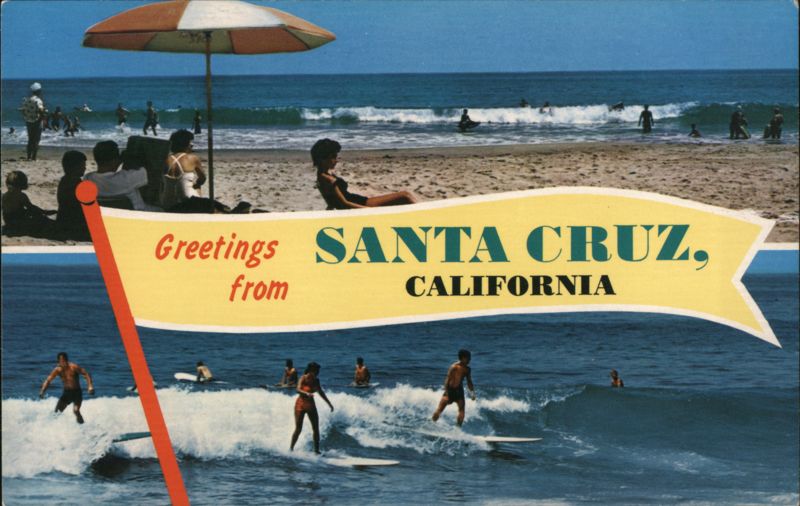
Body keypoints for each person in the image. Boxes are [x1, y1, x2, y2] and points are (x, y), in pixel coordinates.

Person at [313, 138, 417, 210]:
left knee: (404, 196)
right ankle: (424, 214)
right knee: (405, 196)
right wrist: (369, 211)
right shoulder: (328, 179)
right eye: (333, 157)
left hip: (360, 201)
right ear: (323, 158)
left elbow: (331, 202)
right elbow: (345, 203)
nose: (336, 160)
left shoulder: (321, 177)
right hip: (360, 204)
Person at [84, 140, 154, 211]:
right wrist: (128, 159)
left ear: (96, 159)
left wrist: (120, 160)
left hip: (110, 216)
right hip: (139, 214)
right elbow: (153, 171)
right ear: (116, 160)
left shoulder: (88, 179)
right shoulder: (128, 178)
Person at [290, 362, 334, 454]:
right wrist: (306, 393)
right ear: (311, 370)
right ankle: (291, 449)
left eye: (318, 370)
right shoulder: (303, 378)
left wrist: (329, 404)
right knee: (298, 429)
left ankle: (316, 451)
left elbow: (321, 392)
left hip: (310, 405)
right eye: (316, 370)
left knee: (315, 428)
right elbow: (297, 389)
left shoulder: (316, 380)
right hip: (300, 404)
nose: (318, 372)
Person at [39, 352, 95, 424]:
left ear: (67, 359)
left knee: (76, 411)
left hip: (77, 393)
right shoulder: (57, 370)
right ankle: (51, 429)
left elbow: (86, 374)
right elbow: (48, 380)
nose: (63, 362)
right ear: (58, 361)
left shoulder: (73, 367)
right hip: (66, 394)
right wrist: (42, 391)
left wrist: (90, 386)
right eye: (61, 361)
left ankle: (83, 427)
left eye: (64, 360)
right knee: (56, 413)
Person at [161, 129, 207, 210]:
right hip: (188, 202)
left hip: (168, 204)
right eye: (190, 142)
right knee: (197, 186)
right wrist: (196, 184)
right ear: (185, 144)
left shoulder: (165, 159)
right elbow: (203, 178)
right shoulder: (193, 158)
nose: (192, 145)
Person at [2, 170, 55, 237]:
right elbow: (31, 207)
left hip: (8, 221)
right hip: (18, 222)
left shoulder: (4, 196)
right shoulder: (21, 196)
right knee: (38, 217)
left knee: (25, 211)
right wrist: (43, 212)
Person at [432, 349, 476, 427]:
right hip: (450, 390)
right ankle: (432, 424)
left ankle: (457, 430)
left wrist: (472, 393)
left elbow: (469, 382)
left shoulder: (467, 369)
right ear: (463, 358)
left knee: (462, 411)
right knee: (439, 409)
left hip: (459, 391)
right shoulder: (454, 367)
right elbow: (447, 380)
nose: (470, 360)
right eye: (468, 358)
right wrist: (447, 392)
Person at [56, 150, 90, 241]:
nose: (85, 168)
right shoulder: (76, 184)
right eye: (83, 166)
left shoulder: (65, 181)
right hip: (74, 227)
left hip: (63, 222)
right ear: (74, 167)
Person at [19, 82, 45, 161]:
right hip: (37, 121)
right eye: (40, 90)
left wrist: (26, 117)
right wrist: (43, 116)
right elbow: (41, 110)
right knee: (36, 139)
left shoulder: (28, 100)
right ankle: (34, 157)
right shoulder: (38, 100)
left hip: (29, 121)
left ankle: (28, 156)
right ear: (38, 91)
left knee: (30, 139)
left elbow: (23, 110)